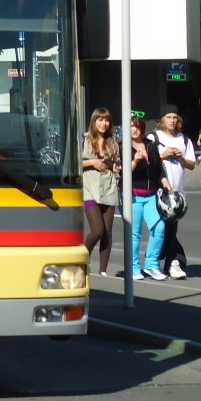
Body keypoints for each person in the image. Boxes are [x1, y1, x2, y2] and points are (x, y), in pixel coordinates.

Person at [152, 104, 195, 279]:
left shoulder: (184, 139)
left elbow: (191, 164)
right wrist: (163, 154)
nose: (172, 120)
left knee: (171, 228)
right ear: (162, 119)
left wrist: (180, 158)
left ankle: (170, 261)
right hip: (158, 190)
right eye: (168, 117)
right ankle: (175, 260)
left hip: (177, 192)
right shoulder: (154, 137)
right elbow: (149, 160)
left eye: (175, 117)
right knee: (162, 228)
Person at [129, 113, 172, 281]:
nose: (134, 130)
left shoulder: (151, 145)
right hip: (132, 195)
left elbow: (158, 167)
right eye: (131, 126)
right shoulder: (123, 147)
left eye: (137, 126)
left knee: (159, 228)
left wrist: (164, 180)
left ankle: (152, 264)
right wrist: (135, 161)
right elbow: (124, 172)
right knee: (134, 233)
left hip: (151, 194)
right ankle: (133, 267)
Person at [80, 107, 120, 276]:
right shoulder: (85, 139)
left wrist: (116, 167)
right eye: (100, 120)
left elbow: (116, 164)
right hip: (90, 189)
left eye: (106, 120)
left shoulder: (113, 142)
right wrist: (93, 163)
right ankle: (82, 259)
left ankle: (103, 269)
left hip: (109, 187)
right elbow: (76, 164)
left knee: (107, 231)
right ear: (94, 121)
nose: (103, 124)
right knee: (97, 230)